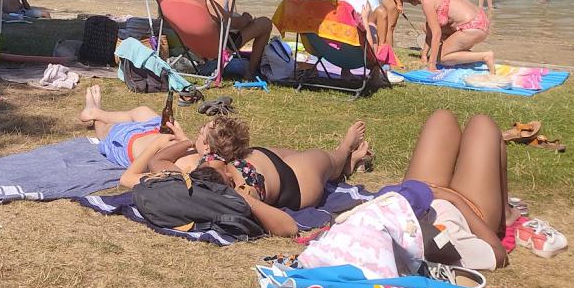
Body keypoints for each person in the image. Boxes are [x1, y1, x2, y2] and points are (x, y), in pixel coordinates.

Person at [79, 86, 367, 228]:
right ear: (228, 180)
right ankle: (347, 154)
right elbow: (288, 227)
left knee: (297, 154)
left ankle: (348, 163)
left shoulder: (194, 177)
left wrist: (192, 142)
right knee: (328, 160)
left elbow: (158, 162)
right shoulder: (238, 194)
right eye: (223, 168)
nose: (219, 162)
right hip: (295, 183)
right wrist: (249, 200)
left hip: (264, 157)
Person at [403, 109, 513, 269]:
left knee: (442, 118)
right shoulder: (448, 250)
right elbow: (500, 255)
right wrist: (454, 199)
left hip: (417, 199)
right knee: (483, 125)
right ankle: (505, 213)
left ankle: (505, 211)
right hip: (471, 214)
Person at [397, 0, 493, 71]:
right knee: (426, 26)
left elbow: (436, 34)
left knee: (442, 59)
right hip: (482, 22)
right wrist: (424, 55)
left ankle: (485, 56)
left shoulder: (427, 2)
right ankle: (466, 56)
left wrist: (432, 64)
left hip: (472, 28)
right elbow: (430, 28)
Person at [202, 0, 273, 79]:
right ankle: (250, 71)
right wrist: (246, 18)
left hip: (201, 43)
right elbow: (234, 23)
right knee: (265, 23)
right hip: (224, 43)